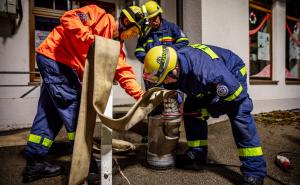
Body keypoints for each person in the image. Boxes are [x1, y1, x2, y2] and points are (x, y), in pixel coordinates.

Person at [22, 5, 146, 183]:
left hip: (60, 64)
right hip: (56, 59)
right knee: (78, 111)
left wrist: (140, 96)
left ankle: (34, 163)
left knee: (50, 113)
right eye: (134, 31)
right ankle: (86, 163)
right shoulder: (97, 15)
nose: (134, 35)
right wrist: (90, 38)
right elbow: (69, 18)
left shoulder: (114, 47)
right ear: (126, 22)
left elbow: (123, 71)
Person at [143, 45, 267, 185]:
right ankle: (197, 154)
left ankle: (255, 172)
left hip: (232, 74)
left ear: (175, 71)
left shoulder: (208, 72)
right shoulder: (174, 63)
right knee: (191, 109)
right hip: (201, 82)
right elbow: (172, 85)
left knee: (240, 115)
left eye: (165, 79)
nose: (164, 83)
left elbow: (236, 95)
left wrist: (209, 111)